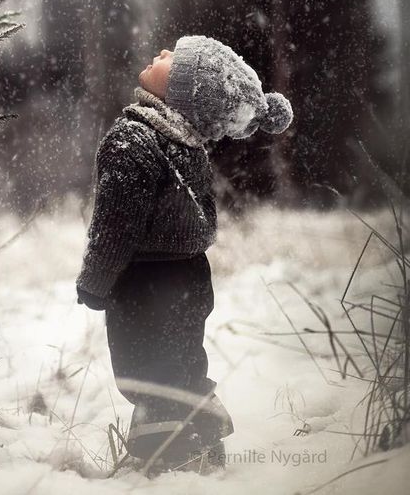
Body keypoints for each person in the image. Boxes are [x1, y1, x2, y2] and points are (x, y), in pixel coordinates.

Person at [75, 35, 294, 475]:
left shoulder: (133, 140)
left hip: (145, 284)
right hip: (190, 277)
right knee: (181, 363)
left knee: (146, 373)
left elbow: (114, 226)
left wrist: (94, 282)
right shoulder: (187, 143)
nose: (161, 53)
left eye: (173, 58)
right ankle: (201, 440)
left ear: (184, 93)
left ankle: (168, 461)